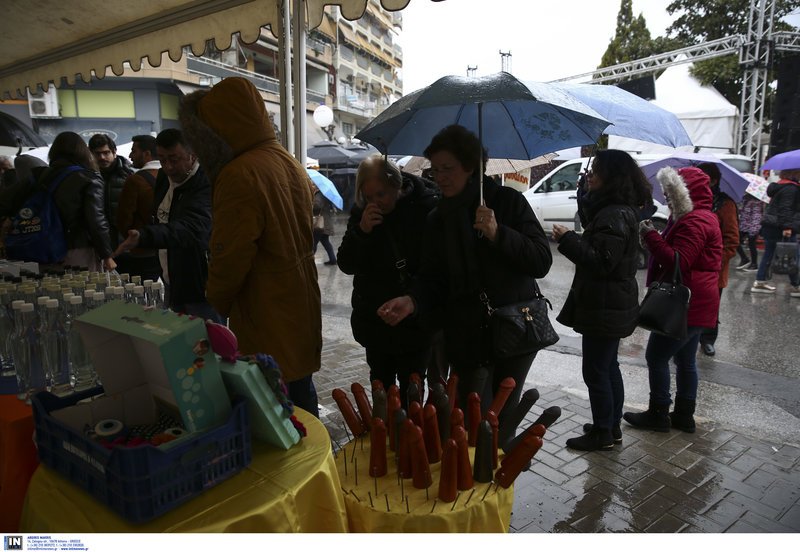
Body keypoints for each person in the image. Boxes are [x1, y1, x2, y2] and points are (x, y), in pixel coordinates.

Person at [377, 125, 552, 428]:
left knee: (500, 420)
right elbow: (432, 277)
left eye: (448, 168)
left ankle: (499, 473)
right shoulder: (437, 218)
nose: (440, 176)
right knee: (470, 421)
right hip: (466, 336)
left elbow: (540, 261)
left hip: (514, 330)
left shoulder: (507, 202)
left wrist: (499, 234)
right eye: (435, 169)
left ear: (471, 167)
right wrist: (412, 300)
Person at [179, 77, 322, 416]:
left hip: (266, 306)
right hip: (300, 299)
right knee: (300, 390)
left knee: (275, 400)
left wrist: (217, 299)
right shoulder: (283, 158)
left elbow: (231, 255)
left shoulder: (238, 174)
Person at [551, 150, 652, 451]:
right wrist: (585, 198)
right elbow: (601, 238)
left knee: (596, 370)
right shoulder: (617, 209)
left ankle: (603, 433)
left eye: (596, 170)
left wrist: (568, 239)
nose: (590, 174)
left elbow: (601, 261)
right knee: (608, 367)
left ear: (612, 176)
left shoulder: (614, 214)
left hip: (605, 304)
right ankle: (608, 425)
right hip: (609, 302)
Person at [624, 167, 722, 434]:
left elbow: (678, 260)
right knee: (685, 361)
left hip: (686, 305)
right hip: (699, 302)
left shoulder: (694, 221)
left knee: (656, 357)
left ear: (685, 192)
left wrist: (651, 236)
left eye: (671, 192)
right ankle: (683, 415)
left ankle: (658, 413)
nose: (666, 197)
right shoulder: (701, 217)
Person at [337, 155, 439, 407]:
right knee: (380, 386)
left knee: (412, 389)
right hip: (375, 322)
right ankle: (386, 437)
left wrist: (414, 300)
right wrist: (361, 231)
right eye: (368, 197)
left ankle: (409, 441)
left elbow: (435, 270)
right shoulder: (363, 214)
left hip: (413, 323)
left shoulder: (425, 209)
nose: (375, 203)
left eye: (381, 194)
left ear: (397, 185)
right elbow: (346, 264)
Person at [114, 129, 220, 321]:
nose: (168, 166)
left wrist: (145, 236)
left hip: (200, 280)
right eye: (162, 159)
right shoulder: (163, 177)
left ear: (192, 154)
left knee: (205, 343)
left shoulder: (206, 182)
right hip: (171, 275)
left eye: (174, 159)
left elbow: (193, 228)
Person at [45, 132, 116, 271]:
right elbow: (96, 219)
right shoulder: (88, 177)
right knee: (84, 291)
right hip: (78, 247)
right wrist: (107, 255)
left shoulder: (41, 175)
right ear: (83, 151)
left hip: (43, 247)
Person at [697, 162, 739, 357]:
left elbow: (732, 239)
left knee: (711, 306)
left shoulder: (725, 204)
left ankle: (708, 339)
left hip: (714, 267)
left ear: (713, 180)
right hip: (690, 264)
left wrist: (717, 260)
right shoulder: (689, 200)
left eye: (703, 177)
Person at [115, 134, 162, 281]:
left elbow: (124, 217)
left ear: (147, 154)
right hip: (169, 247)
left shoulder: (135, 180)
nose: (130, 155)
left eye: (134, 151)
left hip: (144, 249)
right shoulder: (171, 175)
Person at [750, 169, 800, 297]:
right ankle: (796, 285)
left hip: (772, 226)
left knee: (770, 254)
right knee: (792, 255)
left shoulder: (780, 186)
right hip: (781, 227)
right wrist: (787, 227)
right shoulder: (791, 188)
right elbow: (785, 208)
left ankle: (760, 281)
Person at [88, 134, 133, 256]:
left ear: (114, 152)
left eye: (106, 152)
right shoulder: (88, 177)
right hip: (100, 244)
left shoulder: (129, 175)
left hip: (126, 241)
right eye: (97, 154)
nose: (102, 157)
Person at [736, 192, 763, 272]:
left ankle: (754, 264)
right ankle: (744, 258)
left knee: (752, 244)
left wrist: (754, 229)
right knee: (735, 240)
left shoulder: (757, 202)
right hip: (744, 225)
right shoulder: (745, 198)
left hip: (752, 226)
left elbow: (756, 216)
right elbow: (740, 210)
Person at [312, 186, 338, 265]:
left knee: (314, 242)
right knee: (325, 241)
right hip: (325, 222)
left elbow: (317, 205)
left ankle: (308, 259)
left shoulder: (319, 195)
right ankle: (333, 259)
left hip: (321, 223)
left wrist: (312, 205)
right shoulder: (324, 194)